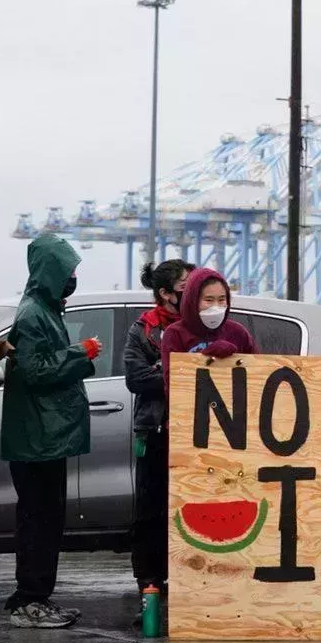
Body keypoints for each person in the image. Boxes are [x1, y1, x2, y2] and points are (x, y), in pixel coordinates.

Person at [1, 233, 97, 629]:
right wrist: (82, 353)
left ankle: (36, 596)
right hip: (37, 440)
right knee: (39, 520)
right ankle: (30, 601)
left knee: (45, 519)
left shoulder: (45, 309)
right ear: (51, 271)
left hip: (45, 438)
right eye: (68, 270)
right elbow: (35, 370)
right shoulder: (32, 316)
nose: (72, 277)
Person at [121, 258, 194, 606]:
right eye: (184, 289)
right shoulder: (144, 329)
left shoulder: (205, 326)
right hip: (155, 430)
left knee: (190, 509)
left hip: (199, 433)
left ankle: (190, 576)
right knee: (150, 511)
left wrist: (165, 374)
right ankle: (149, 582)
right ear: (165, 294)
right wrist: (182, 372)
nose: (192, 294)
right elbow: (136, 379)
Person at [159, 268, 259, 376]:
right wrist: (205, 357)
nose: (216, 306)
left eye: (221, 300)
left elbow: (258, 372)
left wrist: (233, 358)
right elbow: (173, 383)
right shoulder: (175, 334)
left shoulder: (238, 332)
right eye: (209, 300)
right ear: (193, 301)